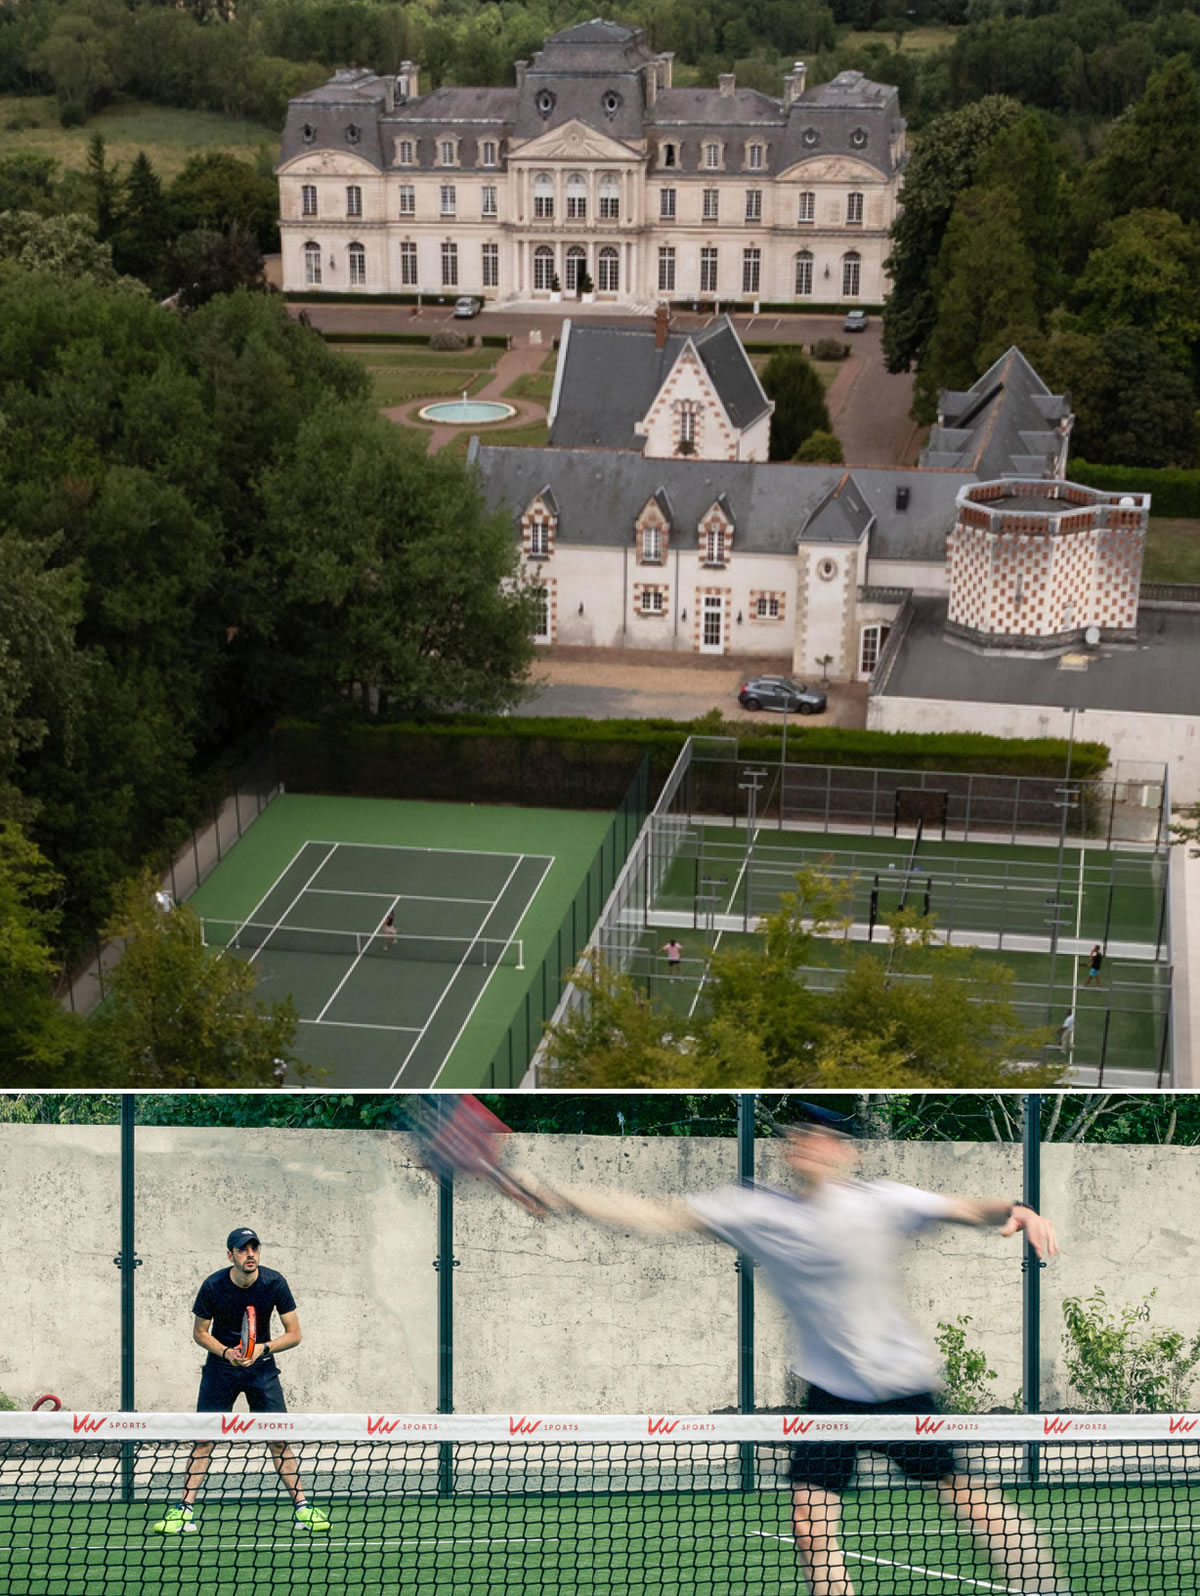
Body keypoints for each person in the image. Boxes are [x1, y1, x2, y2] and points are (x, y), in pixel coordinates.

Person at [524, 1109, 1069, 1596]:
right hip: (830, 1394)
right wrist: (561, 1197)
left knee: (970, 1501)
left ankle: (1044, 1589)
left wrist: (1018, 1209)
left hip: (902, 1387)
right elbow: (657, 1214)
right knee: (809, 1523)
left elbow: (968, 1208)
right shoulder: (755, 1210)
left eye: (822, 1135)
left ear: (845, 1152)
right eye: (799, 1132)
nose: (806, 1140)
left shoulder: (884, 1202)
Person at [152, 1227, 330, 1535]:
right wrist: (226, 1353)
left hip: (261, 1368)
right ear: (230, 1254)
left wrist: (262, 1348)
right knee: (204, 1439)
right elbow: (200, 1333)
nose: (250, 1254)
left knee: (278, 1439)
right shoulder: (213, 1286)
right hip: (222, 1369)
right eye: (243, 1249)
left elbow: (294, 1335)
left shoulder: (274, 1283)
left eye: (254, 1248)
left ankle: (303, 1509)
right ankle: (184, 1511)